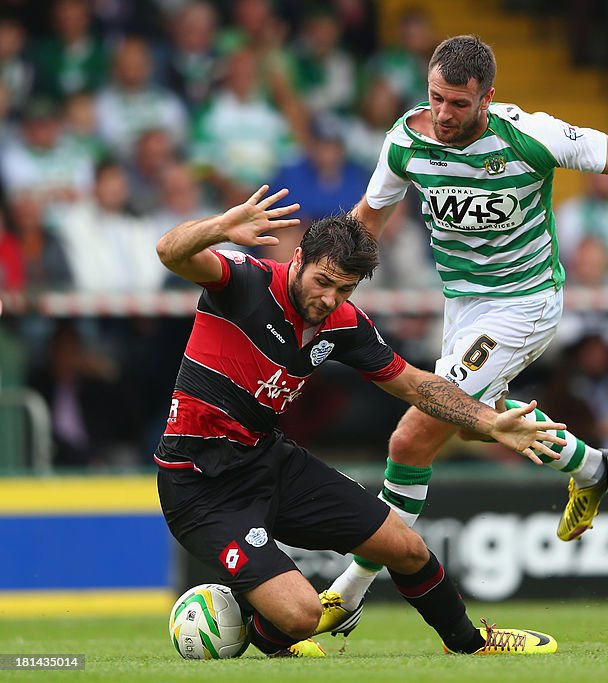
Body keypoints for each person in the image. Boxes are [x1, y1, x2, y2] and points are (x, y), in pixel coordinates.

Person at [324, 34, 608, 636]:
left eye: (459, 104)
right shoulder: (407, 140)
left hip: (524, 304)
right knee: (472, 417)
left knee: (412, 437)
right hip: (462, 308)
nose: (443, 115)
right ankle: (594, 468)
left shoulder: (533, 136)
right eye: (436, 98)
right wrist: (332, 286)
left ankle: (347, 593)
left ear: (488, 98)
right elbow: (367, 221)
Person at [154, 185, 564, 657]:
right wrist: (220, 227)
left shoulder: (344, 323)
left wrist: (491, 422)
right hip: (199, 484)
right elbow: (169, 251)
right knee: (303, 615)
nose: (329, 298)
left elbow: (413, 384)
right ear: (300, 257)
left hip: (268, 460)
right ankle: (266, 630)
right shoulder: (245, 281)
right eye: (322, 281)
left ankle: (470, 644)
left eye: (344, 288)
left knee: (406, 547)